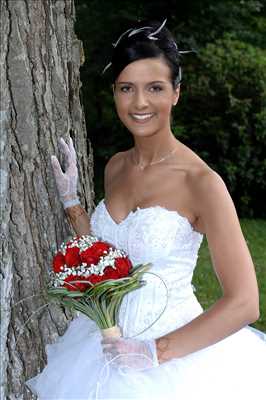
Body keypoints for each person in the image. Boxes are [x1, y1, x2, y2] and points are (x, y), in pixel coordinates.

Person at [26, 19, 266, 400]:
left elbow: (244, 302)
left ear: (176, 93)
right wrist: (72, 204)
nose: (139, 103)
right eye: (127, 89)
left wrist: (157, 352)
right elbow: (110, 260)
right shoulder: (116, 166)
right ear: (115, 93)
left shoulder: (201, 182)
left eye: (155, 88)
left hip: (173, 362)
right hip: (101, 348)